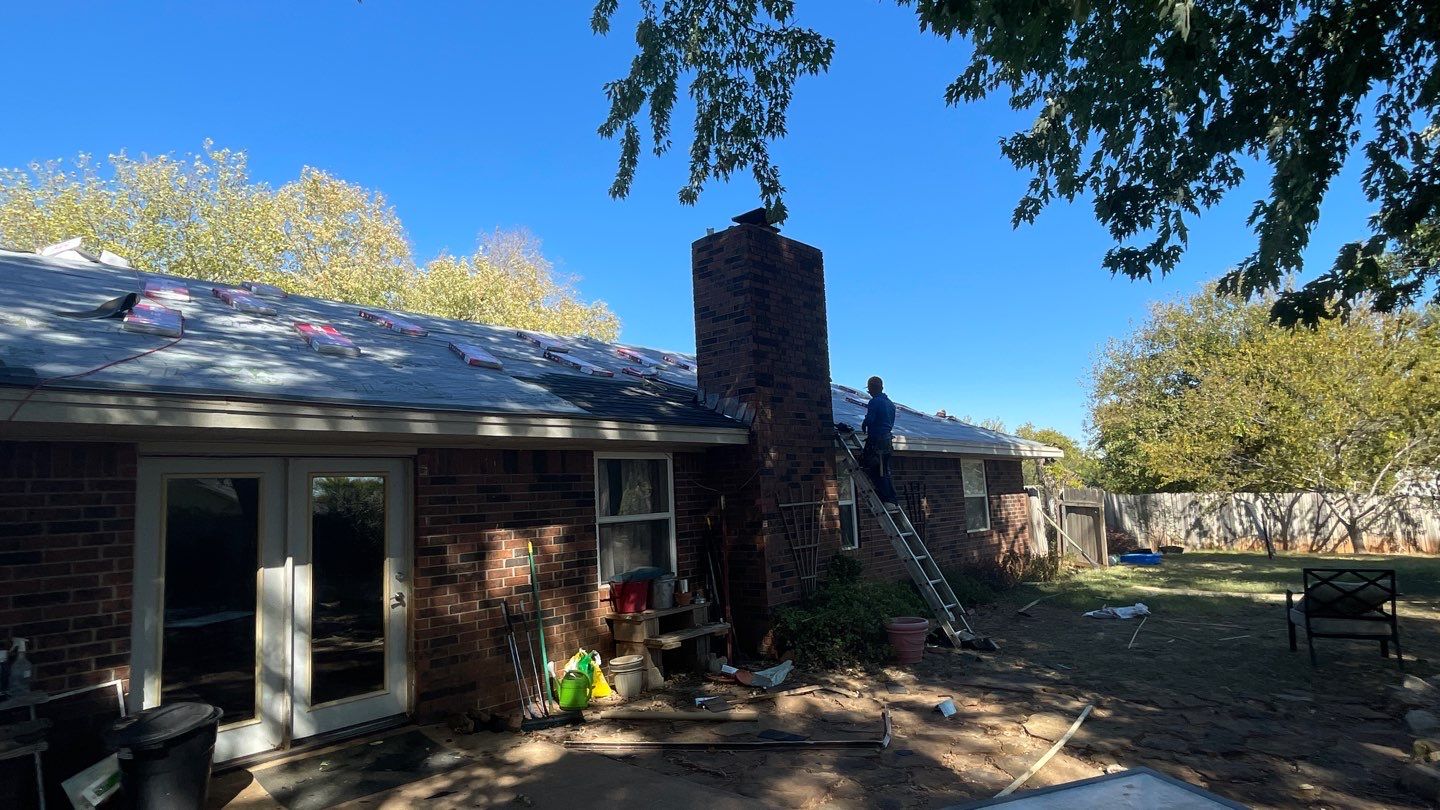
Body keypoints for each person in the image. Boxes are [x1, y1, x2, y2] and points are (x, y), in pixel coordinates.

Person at [860, 375, 899, 508]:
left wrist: (864, 424)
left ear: (871, 388)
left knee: (871, 467)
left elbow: (870, 419)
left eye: (869, 389)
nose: (869, 392)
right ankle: (892, 500)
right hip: (887, 441)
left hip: (877, 441)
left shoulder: (875, 402)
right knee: (884, 470)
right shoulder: (890, 404)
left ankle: (886, 499)